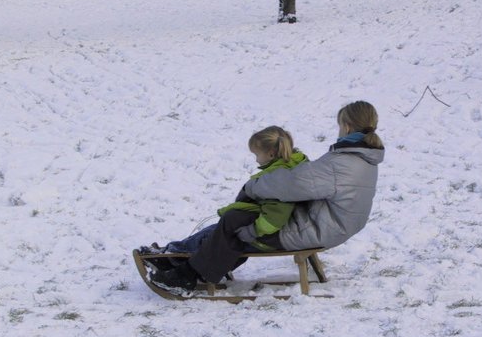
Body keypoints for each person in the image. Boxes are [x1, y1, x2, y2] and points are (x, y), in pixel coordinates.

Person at [154, 100, 384, 293]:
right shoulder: (360, 158)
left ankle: (187, 275)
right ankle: (186, 260)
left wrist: (252, 187)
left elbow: (289, 184)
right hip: (330, 226)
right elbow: (303, 181)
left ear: (346, 126)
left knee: (235, 220)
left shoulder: (342, 163)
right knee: (238, 221)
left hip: (317, 228)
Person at [141, 126, 307, 290]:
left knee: (228, 228)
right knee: (222, 227)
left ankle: (184, 271)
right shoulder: (287, 168)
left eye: (257, 155)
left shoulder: (278, 178)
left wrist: (252, 230)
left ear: (270, 154)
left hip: (275, 235)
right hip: (281, 230)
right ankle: (174, 256)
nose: (256, 160)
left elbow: (274, 219)